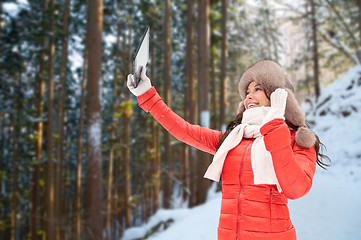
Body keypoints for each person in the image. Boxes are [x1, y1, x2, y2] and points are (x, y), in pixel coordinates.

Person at [126, 60, 328, 240]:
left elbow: (296, 189)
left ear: (278, 96)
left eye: (257, 89)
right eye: (247, 92)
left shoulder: (297, 141)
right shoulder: (233, 138)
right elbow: (184, 130)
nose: (249, 96)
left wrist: (276, 126)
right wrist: (147, 95)